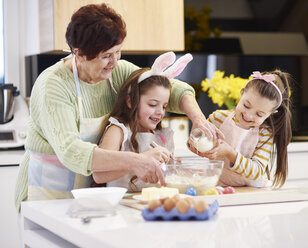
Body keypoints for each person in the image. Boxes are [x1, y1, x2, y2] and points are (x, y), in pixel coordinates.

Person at [14, 3, 221, 211]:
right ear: (79, 53)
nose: (114, 62)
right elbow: (71, 151)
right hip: (48, 191)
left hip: (91, 192)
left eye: (118, 52)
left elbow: (168, 86)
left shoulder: (117, 72)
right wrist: (136, 161)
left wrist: (198, 119)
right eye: (106, 56)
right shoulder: (53, 85)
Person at [94, 52, 193, 191]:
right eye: (152, 104)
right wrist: (141, 160)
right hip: (122, 205)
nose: (160, 112)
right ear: (130, 101)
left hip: (152, 204)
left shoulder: (162, 136)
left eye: (164, 106)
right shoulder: (118, 131)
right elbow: (99, 175)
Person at [190, 70, 292, 188]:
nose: (248, 115)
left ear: (271, 114)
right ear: (242, 93)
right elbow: (196, 143)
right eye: (246, 106)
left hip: (250, 189)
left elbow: (257, 171)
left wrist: (229, 153)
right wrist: (195, 143)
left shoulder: (265, 134)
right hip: (217, 184)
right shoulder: (218, 118)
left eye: (259, 114)